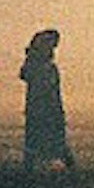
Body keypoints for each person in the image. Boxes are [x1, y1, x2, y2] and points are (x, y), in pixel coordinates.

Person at [19, 26, 72, 169]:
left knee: (37, 136)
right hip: (44, 107)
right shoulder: (44, 68)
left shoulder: (37, 66)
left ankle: (32, 164)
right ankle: (62, 163)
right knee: (51, 136)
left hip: (38, 107)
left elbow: (24, 75)